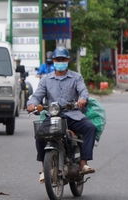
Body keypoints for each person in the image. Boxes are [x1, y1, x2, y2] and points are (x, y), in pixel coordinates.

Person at [26, 47, 97, 184]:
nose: (60, 62)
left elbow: (83, 90)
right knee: (40, 133)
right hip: (53, 117)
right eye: (57, 59)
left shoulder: (76, 77)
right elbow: (37, 96)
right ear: (53, 61)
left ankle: (83, 163)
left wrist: (83, 98)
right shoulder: (46, 79)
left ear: (68, 60)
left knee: (90, 128)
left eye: (63, 59)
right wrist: (32, 104)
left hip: (73, 115)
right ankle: (43, 169)